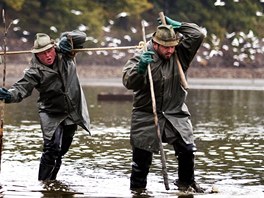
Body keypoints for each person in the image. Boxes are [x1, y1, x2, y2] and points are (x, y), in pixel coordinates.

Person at [122, 15, 205, 192]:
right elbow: (128, 82)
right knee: (141, 162)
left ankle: (186, 185)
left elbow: (197, 35)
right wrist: (141, 69)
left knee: (187, 149)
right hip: (146, 115)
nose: (170, 51)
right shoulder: (142, 55)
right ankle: (137, 192)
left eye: (172, 47)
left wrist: (180, 26)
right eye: (166, 48)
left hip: (175, 112)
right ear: (156, 44)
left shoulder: (180, 54)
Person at [0, 30, 90, 181]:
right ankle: (43, 185)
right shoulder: (34, 71)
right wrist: (9, 95)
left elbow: (81, 36)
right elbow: (21, 88)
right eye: (43, 53)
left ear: (54, 48)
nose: (47, 56)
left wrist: (66, 38)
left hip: (72, 110)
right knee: (51, 148)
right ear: (36, 54)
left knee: (61, 151)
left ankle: (52, 182)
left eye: (49, 51)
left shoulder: (67, 53)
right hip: (51, 112)